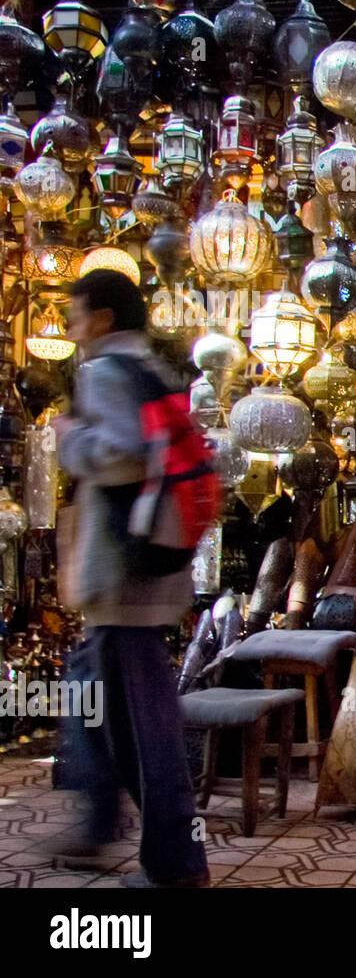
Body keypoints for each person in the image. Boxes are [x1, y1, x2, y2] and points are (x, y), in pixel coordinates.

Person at [39, 269, 210, 888]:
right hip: (147, 569)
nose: (68, 325)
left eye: (75, 313)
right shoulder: (155, 372)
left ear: (104, 318)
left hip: (123, 575)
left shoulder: (106, 373)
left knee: (147, 732)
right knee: (106, 711)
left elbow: (117, 454)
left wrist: (69, 439)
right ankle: (105, 828)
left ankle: (177, 863)